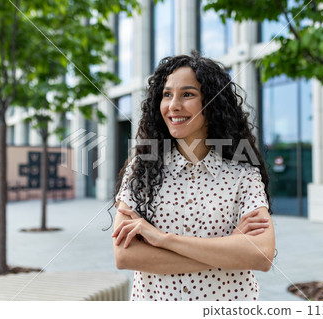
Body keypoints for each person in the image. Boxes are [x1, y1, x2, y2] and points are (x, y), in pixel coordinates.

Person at [112, 51, 275, 301]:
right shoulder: (140, 170)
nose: (173, 105)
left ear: (212, 102)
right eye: (167, 95)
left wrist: (162, 239)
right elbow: (125, 256)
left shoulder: (243, 175)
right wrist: (228, 249)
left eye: (187, 94)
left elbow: (261, 255)